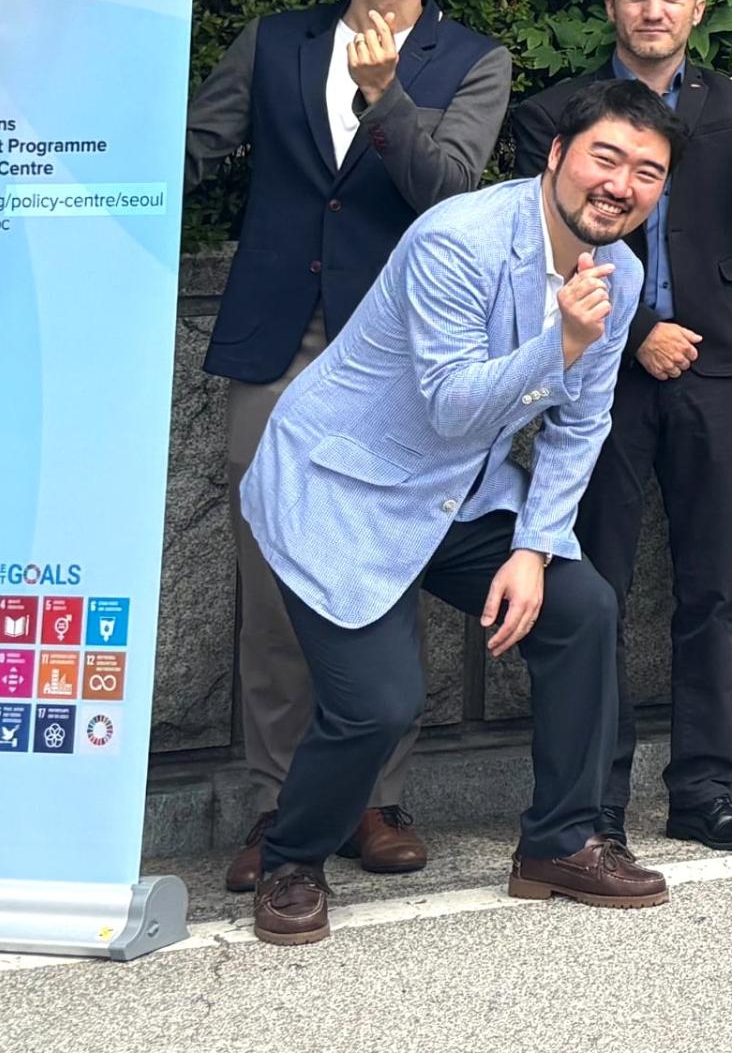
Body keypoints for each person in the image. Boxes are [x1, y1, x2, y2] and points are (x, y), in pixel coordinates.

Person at [236, 77, 680, 946]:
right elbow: (448, 405)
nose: (622, 184)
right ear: (556, 155)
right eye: (606, 157)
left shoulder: (617, 273)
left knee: (582, 606)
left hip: (459, 492)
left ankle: (560, 841)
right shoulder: (458, 240)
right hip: (345, 483)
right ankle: (291, 859)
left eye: (649, 172)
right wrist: (561, 343)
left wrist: (538, 546)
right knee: (380, 703)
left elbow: (581, 423)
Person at [187, 0, 511, 892]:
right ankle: (284, 801)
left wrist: (384, 98)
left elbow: (448, 188)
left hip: (398, 358)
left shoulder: (471, 59)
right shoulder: (276, 42)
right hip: (279, 340)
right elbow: (195, 148)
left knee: (386, 566)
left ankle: (372, 797)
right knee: (274, 577)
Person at [504, 0, 732, 859]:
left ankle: (703, 790)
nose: (653, 11)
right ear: (610, 7)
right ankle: (592, 801)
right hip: (599, 366)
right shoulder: (553, 113)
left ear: (699, 10)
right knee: (592, 585)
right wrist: (640, 333)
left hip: (714, 365)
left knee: (712, 586)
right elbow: (548, 237)